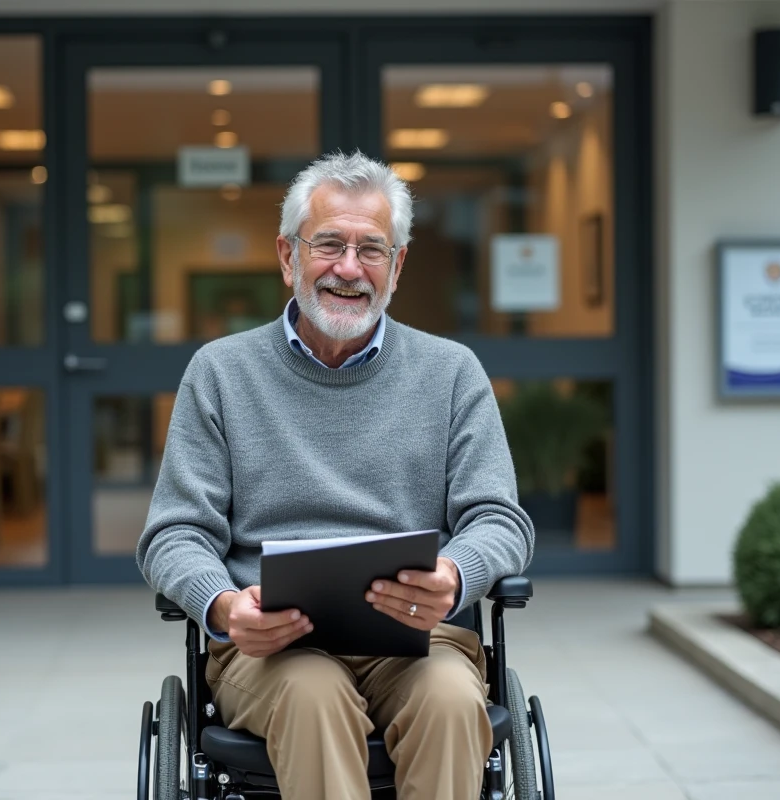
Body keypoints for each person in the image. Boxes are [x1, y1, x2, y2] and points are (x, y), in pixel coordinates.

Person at [136, 150, 535, 800]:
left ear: (397, 265)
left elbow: (500, 520)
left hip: (417, 634)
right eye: (329, 244)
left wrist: (457, 574)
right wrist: (222, 603)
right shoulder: (221, 373)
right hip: (269, 649)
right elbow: (173, 534)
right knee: (314, 696)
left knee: (451, 703)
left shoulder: (452, 372)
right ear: (289, 256)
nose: (349, 268)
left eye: (371, 249)